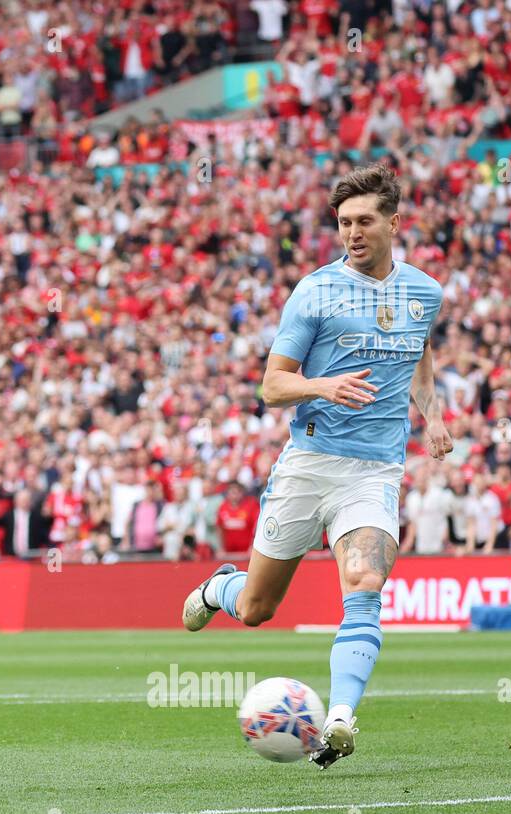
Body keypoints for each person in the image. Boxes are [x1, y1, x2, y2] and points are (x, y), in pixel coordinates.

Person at [180, 164, 452, 770]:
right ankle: (217, 586)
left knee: (365, 584)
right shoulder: (315, 290)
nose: (352, 232)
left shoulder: (425, 292)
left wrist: (431, 414)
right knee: (256, 609)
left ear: (394, 223)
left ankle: (339, 718)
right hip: (307, 466)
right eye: (344, 223)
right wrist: (324, 387)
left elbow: (421, 352)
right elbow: (272, 386)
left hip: (375, 471)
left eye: (364, 221)